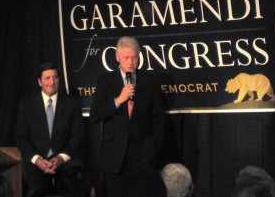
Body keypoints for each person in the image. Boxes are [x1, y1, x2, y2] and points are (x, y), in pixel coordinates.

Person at [90, 36, 167, 197]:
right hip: (115, 157)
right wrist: (118, 100)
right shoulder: (105, 81)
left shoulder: (150, 81)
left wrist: (153, 148)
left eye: (134, 57)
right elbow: (95, 114)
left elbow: (159, 119)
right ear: (117, 57)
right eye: (126, 58)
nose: (131, 62)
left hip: (143, 158)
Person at [16, 62, 85, 197]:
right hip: (37, 162)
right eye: (47, 78)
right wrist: (37, 160)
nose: (52, 82)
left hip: (65, 161)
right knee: (33, 188)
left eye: (55, 77)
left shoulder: (72, 103)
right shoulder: (27, 104)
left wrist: (60, 158)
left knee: (76, 182)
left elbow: (78, 137)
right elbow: (21, 138)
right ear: (39, 82)